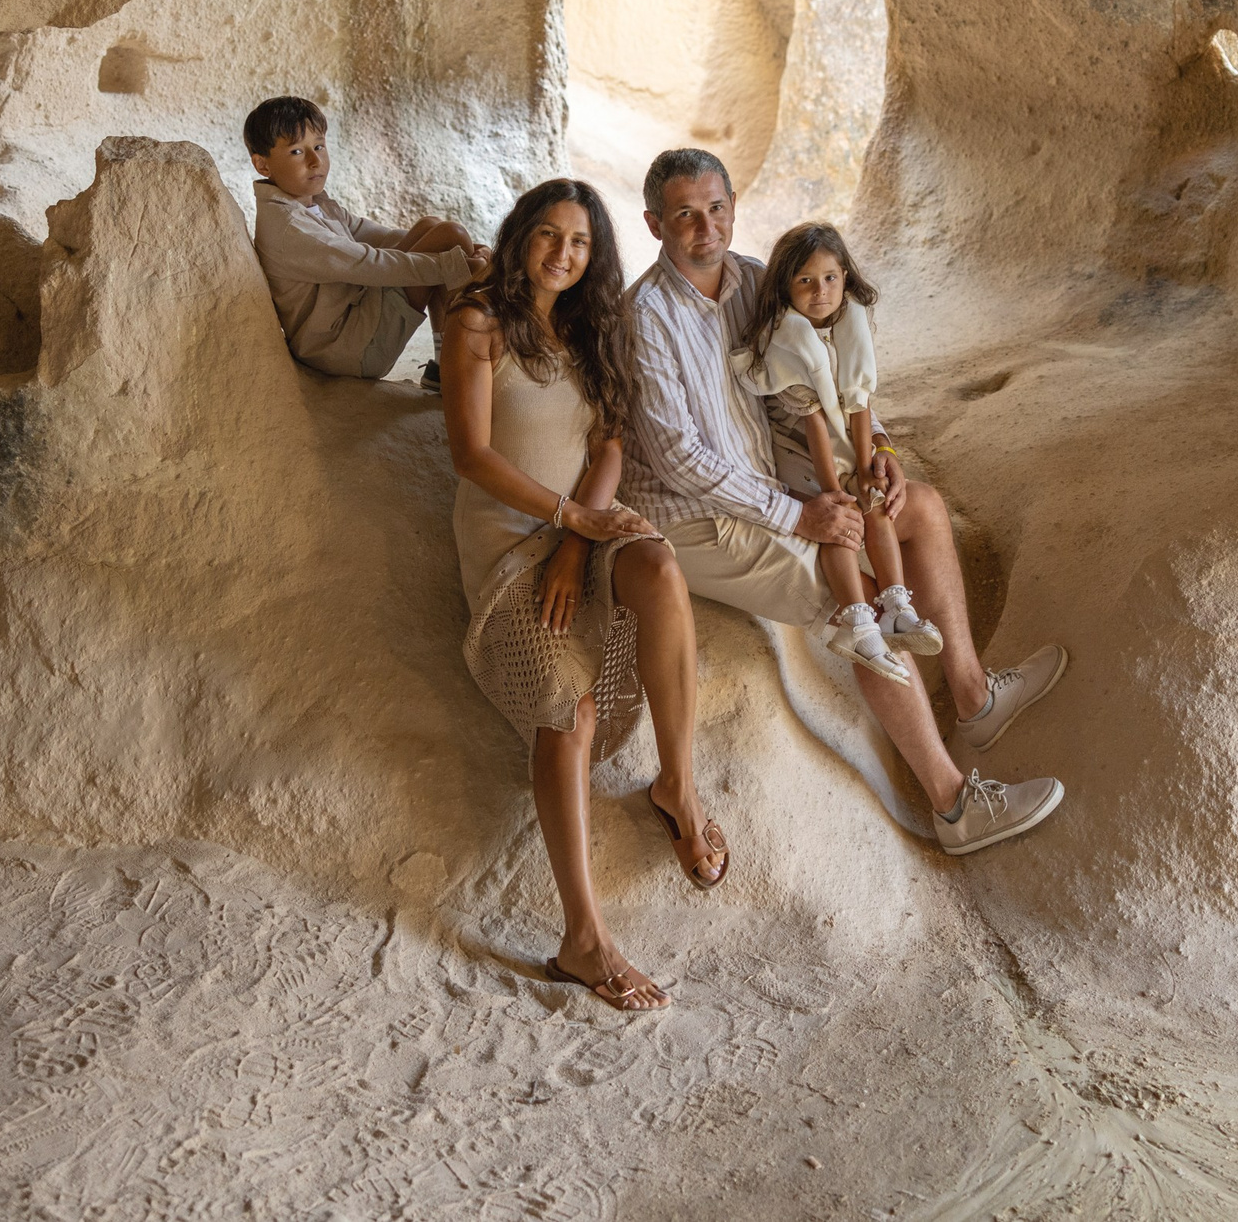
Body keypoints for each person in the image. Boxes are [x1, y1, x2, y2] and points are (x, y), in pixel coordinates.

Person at [623, 148, 1068, 856]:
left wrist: (879, 454)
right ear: (655, 223)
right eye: (684, 214)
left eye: (716, 208)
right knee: (855, 602)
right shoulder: (646, 317)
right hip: (697, 517)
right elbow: (681, 458)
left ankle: (973, 697)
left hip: (773, 476)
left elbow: (825, 383)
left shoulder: (752, 283)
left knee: (914, 506)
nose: (705, 227)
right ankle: (954, 805)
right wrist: (801, 515)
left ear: (734, 206)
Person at [442, 178, 727, 1013]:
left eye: (580, 241)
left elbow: (611, 442)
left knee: (662, 570)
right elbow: (472, 455)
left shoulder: (592, 329)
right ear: (522, 235)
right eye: (548, 235)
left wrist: (578, 538)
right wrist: (563, 521)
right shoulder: (479, 324)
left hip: (585, 532)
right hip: (507, 553)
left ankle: (677, 784)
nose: (563, 254)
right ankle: (583, 939)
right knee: (570, 710)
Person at [734, 221, 941, 687]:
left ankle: (894, 605)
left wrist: (870, 464)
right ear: (786, 287)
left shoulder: (852, 320)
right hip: (798, 445)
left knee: (875, 503)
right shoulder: (786, 339)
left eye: (829, 277)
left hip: (843, 436)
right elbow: (813, 427)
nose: (820, 290)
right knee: (840, 520)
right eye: (804, 281)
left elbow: (859, 401)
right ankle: (859, 622)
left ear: (846, 275)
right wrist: (833, 490)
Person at [247, 96, 487, 384]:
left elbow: (379, 236)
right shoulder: (289, 227)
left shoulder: (313, 204)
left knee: (435, 228)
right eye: (297, 151)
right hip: (345, 349)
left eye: (319, 146)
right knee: (450, 238)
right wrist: (452, 264)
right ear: (263, 165)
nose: (315, 161)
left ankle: (443, 365)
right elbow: (366, 263)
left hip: (354, 323)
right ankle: (456, 372)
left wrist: (460, 254)